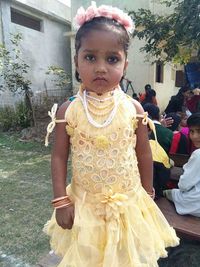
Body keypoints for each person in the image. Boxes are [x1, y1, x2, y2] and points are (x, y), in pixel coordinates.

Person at [43, 3, 179, 266]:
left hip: (128, 204)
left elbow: (144, 152)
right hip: (85, 206)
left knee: (125, 257)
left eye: (112, 59)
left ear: (125, 64)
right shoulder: (68, 110)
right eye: (90, 57)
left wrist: (147, 195)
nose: (101, 67)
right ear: (76, 61)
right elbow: (59, 157)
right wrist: (61, 200)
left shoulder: (134, 108)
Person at [164, 113, 200, 217]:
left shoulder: (198, 155)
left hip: (194, 205)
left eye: (199, 131)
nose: (194, 136)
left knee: (167, 193)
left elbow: (183, 185)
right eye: (192, 131)